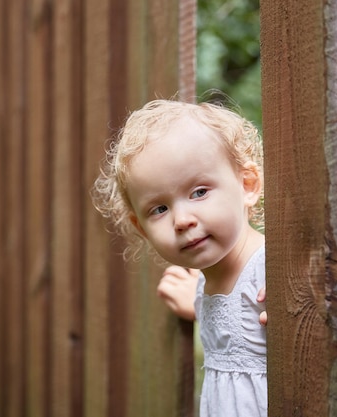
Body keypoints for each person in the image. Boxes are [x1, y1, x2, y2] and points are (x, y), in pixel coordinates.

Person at [92, 99, 267, 416]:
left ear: (247, 184)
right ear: (141, 228)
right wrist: (198, 306)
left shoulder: (270, 269)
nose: (182, 219)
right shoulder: (205, 284)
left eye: (199, 192)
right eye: (159, 209)